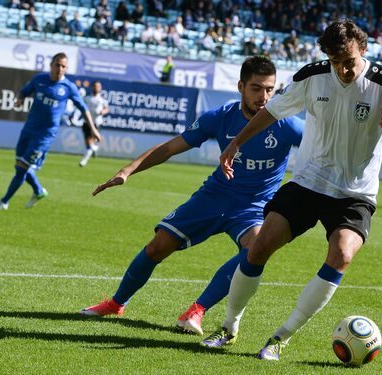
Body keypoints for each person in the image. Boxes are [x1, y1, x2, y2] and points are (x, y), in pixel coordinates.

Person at [202, 20, 382, 360]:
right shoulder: (311, 77)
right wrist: (235, 143)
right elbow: (272, 111)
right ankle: (229, 327)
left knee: (342, 255)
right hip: (308, 182)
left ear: (362, 50)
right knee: (260, 246)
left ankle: (280, 338)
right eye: (336, 61)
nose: (343, 69)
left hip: (355, 193)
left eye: (349, 60)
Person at [79, 56, 304, 337]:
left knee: (255, 249)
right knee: (157, 246)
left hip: (254, 207)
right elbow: (170, 147)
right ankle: (116, 303)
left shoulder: (288, 125)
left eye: (270, 89)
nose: (264, 96)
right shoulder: (220, 117)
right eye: (256, 88)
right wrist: (127, 171)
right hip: (214, 197)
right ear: (241, 87)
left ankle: (196, 311)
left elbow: (322, 148)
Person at [0, 53, 101, 211]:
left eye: (63, 66)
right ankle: (39, 191)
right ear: (51, 65)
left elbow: (83, 108)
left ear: (66, 68)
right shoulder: (39, 79)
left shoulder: (68, 87)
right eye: (57, 65)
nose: (60, 69)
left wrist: (93, 129)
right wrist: (20, 99)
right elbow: (24, 91)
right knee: (20, 166)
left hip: (45, 135)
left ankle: (4, 201)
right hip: (28, 129)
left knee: (22, 167)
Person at [79, 81, 109, 167]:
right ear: (92, 87)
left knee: (90, 140)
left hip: (96, 123)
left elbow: (107, 109)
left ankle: (84, 160)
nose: (96, 88)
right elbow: (82, 106)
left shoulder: (102, 100)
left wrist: (103, 111)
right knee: (87, 142)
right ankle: (94, 148)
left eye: (98, 86)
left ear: (100, 88)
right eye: (95, 86)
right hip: (86, 122)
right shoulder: (87, 98)